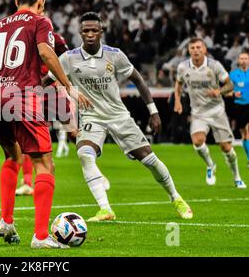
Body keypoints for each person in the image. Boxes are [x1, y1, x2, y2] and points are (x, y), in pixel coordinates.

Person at [0, 0, 91, 249]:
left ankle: (6, 221)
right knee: (45, 164)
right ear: (41, 2)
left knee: (12, 155)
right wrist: (68, 86)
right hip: (22, 96)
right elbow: (45, 52)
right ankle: (41, 237)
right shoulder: (41, 22)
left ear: (15, 1)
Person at [48, 12, 193, 222]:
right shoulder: (68, 58)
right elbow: (46, 80)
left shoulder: (114, 55)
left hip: (119, 116)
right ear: (80, 33)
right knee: (84, 154)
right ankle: (105, 209)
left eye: (94, 31)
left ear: (101, 33)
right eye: (86, 31)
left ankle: (176, 197)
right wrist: (65, 90)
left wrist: (153, 111)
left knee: (149, 159)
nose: (90, 34)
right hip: (91, 118)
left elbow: (139, 80)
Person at [175, 38, 246, 189]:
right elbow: (179, 83)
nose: (196, 50)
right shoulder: (183, 67)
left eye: (198, 47)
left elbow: (230, 84)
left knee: (226, 148)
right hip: (198, 112)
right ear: (189, 51)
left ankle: (237, 177)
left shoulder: (214, 66)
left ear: (204, 49)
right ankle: (210, 165)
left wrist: (218, 91)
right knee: (197, 141)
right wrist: (177, 100)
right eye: (192, 48)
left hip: (216, 111)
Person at [15, 31, 71, 197]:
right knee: (26, 139)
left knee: (73, 130)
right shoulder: (22, 35)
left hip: (51, 89)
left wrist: (63, 82)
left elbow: (67, 58)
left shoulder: (54, 37)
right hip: (30, 90)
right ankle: (27, 182)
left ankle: (92, 168)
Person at [229, 51, 249, 168]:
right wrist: (233, 93)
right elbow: (226, 90)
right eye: (241, 58)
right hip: (239, 107)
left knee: (248, 131)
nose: (243, 60)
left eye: (246, 58)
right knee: (245, 134)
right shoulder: (233, 74)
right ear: (238, 61)